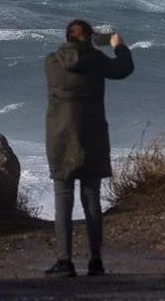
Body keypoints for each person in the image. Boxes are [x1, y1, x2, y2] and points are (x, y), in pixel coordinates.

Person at [43, 19, 134, 278]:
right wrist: (119, 46)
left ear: (66, 38)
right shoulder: (97, 60)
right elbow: (124, 69)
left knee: (63, 199)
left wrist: (88, 46)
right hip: (91, 135)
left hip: (59, 138)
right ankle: (95, 261)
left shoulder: (50, 62)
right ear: (91, 37)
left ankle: (65, 261)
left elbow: (74, 60)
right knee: (91, 198)